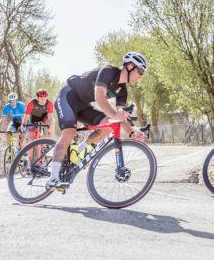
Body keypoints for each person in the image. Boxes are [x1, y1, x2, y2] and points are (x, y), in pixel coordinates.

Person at [47, 52, 148, 189]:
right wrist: (115, 114)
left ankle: (79, 151)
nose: (141, 76)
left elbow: (121, 116)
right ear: (129, 66)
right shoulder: (108, 71)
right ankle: (52, 178)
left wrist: (132, 132)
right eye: (140, 70)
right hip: (68, 96)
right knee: (69, 132)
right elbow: (99, 97)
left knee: (108, 125)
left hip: (83, 105)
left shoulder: (122, 90)